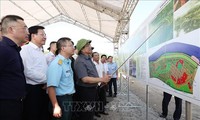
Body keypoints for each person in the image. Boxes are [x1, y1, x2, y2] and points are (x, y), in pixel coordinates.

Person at [0, 15, 29, 120]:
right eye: (24, 28)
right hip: (5, 105)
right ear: (11, 29)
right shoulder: (3, 49)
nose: (28, 32)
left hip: (14, 103)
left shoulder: (13, 49)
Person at [74, 39, 111, 120]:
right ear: (82, 49)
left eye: (89, 45)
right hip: (86, 91)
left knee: (90, 111)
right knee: (86, 113)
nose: (90, 47)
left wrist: (102, 80)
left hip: (92, 89)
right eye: (87, 46)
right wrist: (102, 79)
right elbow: (85, 79)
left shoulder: (88, 59)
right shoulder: (80, 61)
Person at [20, 25, 49, 120]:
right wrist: (48, 80)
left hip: (43, 89)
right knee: (32, 115)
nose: (45, 37)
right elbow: (28, 71)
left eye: (45, 34)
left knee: (43, 115)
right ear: (33, 36)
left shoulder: (41, 52)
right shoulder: (25, 50)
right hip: (32, 91)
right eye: (42, 34)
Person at [47, 37, 75, 120]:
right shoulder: (57, 64)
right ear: (63, 48)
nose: (73, 48)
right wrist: (55, 106)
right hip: (60, 100)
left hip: (68, 98)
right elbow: (51, 87)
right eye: (70, 46)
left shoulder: (67, 62)